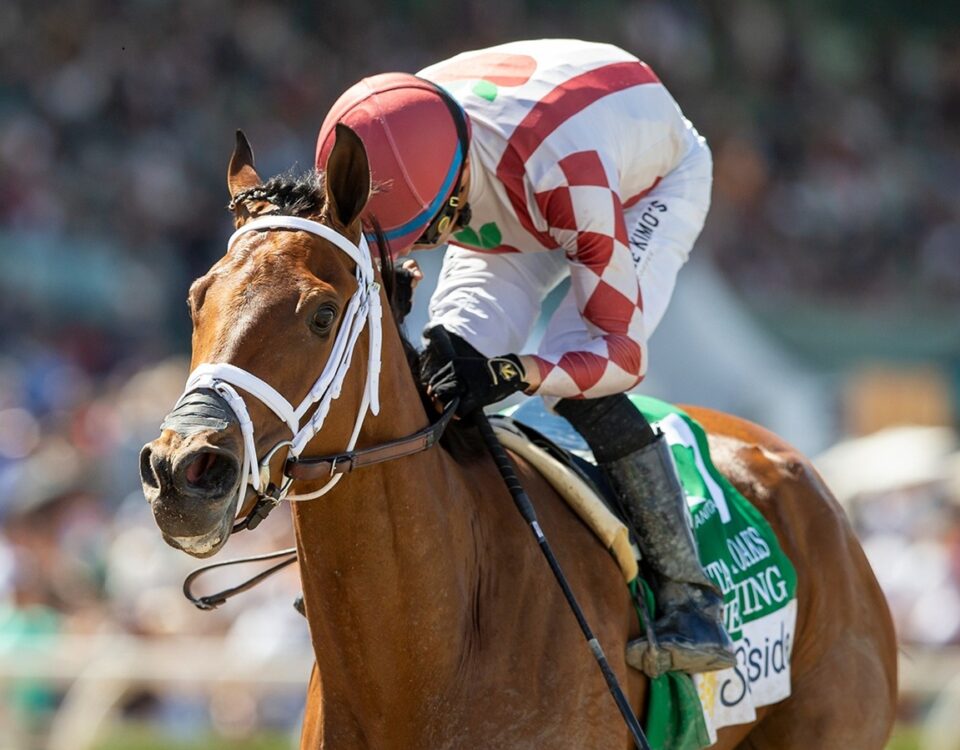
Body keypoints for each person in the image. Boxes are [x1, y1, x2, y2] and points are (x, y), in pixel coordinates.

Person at [316, 39, 733, 676]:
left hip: (631, 186)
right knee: (443, 372)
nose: (423, 249)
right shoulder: (400, 121)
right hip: (512, 183)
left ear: (449, 194)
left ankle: (688, 594)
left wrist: (519, 372)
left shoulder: (566, 175)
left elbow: (619, 355)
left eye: (424, 235)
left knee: (572, 376)